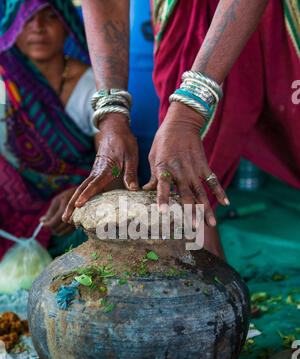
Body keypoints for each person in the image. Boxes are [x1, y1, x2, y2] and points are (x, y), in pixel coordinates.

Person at [63, 0, 300, 258]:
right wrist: (112, 117)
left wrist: (188, 113)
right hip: (186, 14)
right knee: (181, 166)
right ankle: (206, 276)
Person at [0, 0, 101, 259]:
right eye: (27, 19)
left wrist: (80, 194)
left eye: (50, 17)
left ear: (68, 25)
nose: (38, 28)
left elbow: (111, 162)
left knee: (95, 227)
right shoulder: (4, 84)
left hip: (71, 204)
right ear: (12, 28)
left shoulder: (92, 86)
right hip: (13, 203)